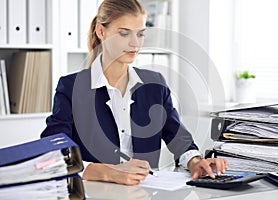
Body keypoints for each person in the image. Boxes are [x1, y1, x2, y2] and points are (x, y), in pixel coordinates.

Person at [41, 0, 228, 185]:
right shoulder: (71, 87)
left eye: (140, 34)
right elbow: (54, 153)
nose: (134, 43)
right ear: (101, 31)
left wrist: (196, 162)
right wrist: (109, 172)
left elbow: (178, 137)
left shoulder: (154, 84)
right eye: (124, 33)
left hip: (145, 191)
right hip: (94, 191)